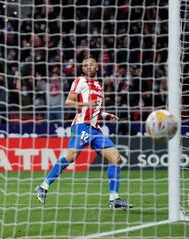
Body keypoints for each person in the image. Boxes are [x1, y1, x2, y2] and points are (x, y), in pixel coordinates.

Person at [35, 56, 133, 209]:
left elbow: (96, 111)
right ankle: (43, 186)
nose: (88, 67)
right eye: (85, 65)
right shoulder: (80, 81)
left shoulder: (99, 86)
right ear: (82, 69)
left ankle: (114, 199)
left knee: (116, 158)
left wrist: (107, 115)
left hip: (95, 128)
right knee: (72, 155)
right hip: (82, 125)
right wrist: (85, 103)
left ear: (97, 67)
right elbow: (68, 102)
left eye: (91, 64)